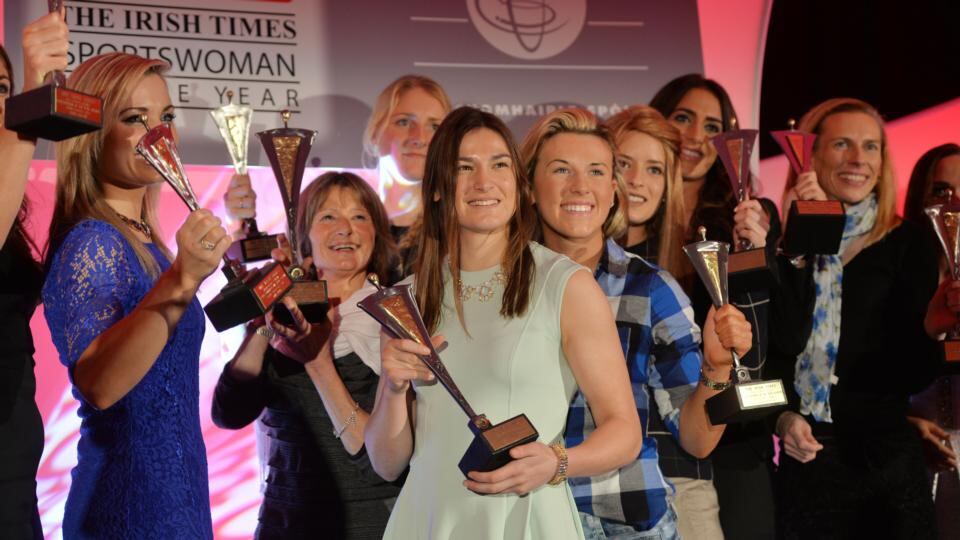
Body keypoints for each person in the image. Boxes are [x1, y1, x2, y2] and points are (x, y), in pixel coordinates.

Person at [364, 106, 642, 539]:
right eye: (463, 167)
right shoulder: (408, 301)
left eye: (499, 165)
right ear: (438, 187)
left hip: (525, 519)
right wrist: (393, 386)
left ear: (518, 184)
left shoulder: (564, 284)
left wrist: (557, 462)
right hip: (430, 519)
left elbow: (624, 432)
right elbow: (387, 463)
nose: (483, 182)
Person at [520, 107, 754, 539]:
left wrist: (718, 368)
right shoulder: (503, 289)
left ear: (612, 191)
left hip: (623, 519)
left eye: (595, 172)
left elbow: (698, 439)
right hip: (525, 517)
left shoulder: (651, 290)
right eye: (560, 170)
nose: (579, 187)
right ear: (530, 186)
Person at [42, 53, 229, 539]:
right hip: (128, 509)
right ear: (93, 135)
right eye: (134, 119)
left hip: (179, 500)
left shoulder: (149, 245)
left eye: (166, 118)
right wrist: (183, 280)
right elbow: (100, 384)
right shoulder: (93, 241)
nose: (158, 135)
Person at [772, 97, 939, 539]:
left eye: (870, 147)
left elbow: (914, 370)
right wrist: (782, 417)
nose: (858, 160)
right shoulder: (778, 240)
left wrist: (938, 327)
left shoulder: (908, 242)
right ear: (810, 155)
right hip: (807, 461)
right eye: (842, 144)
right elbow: (771, 350)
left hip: (885, 467)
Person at [211, 172, 401, 539]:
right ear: (304, 237)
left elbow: (381, 460)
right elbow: (229, 414)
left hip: (372, 524)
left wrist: (317, 359)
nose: (345, 228)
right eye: (328, 216)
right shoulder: (284, 317)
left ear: (376, 233)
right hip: (285, 522)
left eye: (359, 217)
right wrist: (263, 322)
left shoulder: (396, 315)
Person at [650, 74, 780, 540]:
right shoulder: (627, 218)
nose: (694, 136)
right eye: (682, 117)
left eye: (711, 126)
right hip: (655, 440)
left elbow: (778, 335)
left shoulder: (750, 217)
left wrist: (756, 256)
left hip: (735, 437)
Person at [0, 9, 68, 539]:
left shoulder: (16, 201)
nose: (0, 102)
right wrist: (28, 104)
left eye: (2, 88)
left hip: (17, 454)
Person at [902, 142, 960, 538]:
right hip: (912, 467)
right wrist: (904, 425)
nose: (954, 203)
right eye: (942, 191)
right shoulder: (891, 281)